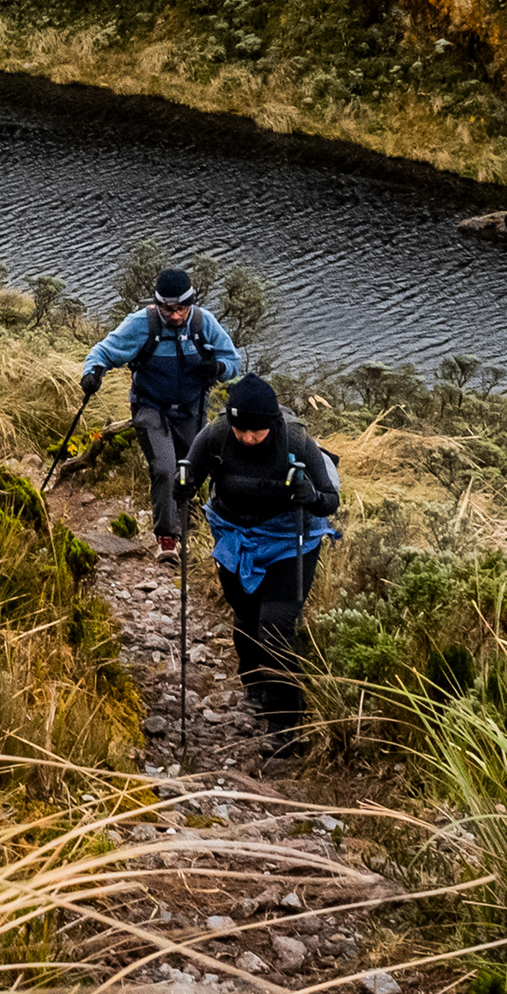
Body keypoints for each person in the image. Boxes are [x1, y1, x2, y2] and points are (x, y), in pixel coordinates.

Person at [181, 374, 343, 738]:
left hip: (290, 541)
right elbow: (190, 473)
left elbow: (330, 500)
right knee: (248, 617)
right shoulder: (217, 434)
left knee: (277, 625)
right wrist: (184, 486)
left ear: (272, 423)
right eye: (241, 430)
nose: (248, 438)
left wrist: (310, 496)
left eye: (257, 431)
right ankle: (254, 683)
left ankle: (284, 719)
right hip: (233, 537)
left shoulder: (297, 442)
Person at [80, 266, 245, 560]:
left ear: (191, 303)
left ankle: (189, 521)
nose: (176, 315)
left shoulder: (203, 324)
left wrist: (218, 368)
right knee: (166, 468)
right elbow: (103, 352)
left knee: (191, 470)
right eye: (169, 309)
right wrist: (92, 374)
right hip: (149, 406)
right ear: (157, 303)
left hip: (192, 411)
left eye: (182, 308)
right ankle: (167, 539)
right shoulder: (142, 324)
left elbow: (232, 360)